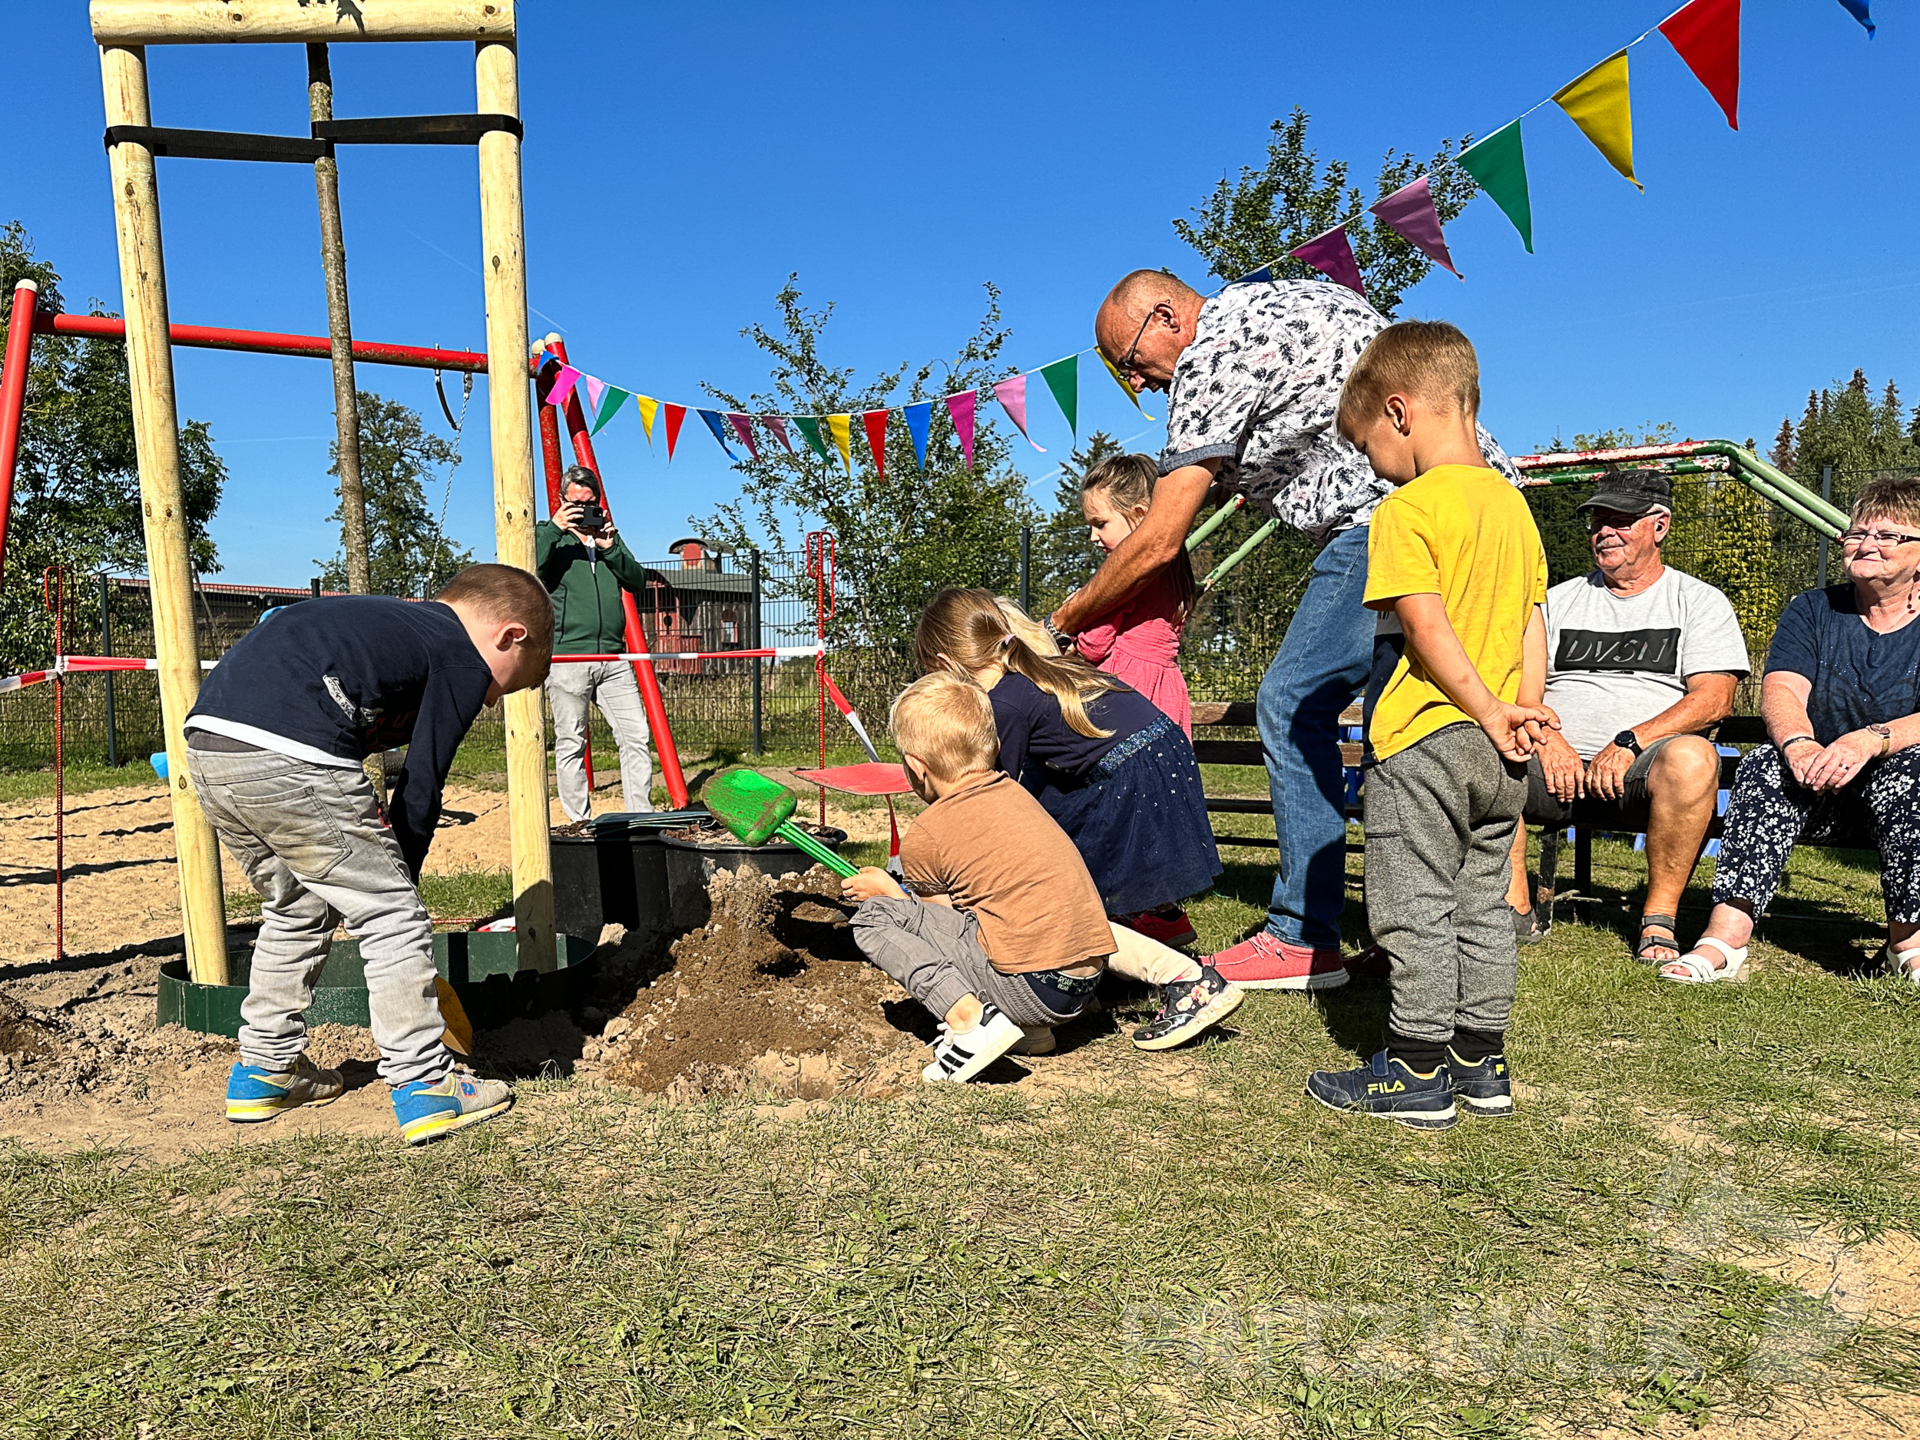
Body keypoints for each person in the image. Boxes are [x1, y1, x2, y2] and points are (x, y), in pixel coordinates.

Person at [1065, 269, 1519, 992]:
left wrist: (1067, 617)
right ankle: (1436, 936)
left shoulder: (1210, 357)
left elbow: (1157, 541)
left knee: (1293, 700)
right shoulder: (1296, 295)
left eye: (1130, 364)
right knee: (1421, 724)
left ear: (1165, 317)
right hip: (1482, 505)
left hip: (1385, 519)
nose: (1142, 386)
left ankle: (1303, 936)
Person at [184, 564, 554, 1144]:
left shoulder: (400, 624)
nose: (491, 701)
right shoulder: (461, 651)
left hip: (210, 749)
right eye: (511, 684)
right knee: (391, 915)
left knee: (297, 908)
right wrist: (398, 884)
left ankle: (265, 1070)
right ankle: (425, 1082)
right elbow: (422, 783)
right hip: (292, 749)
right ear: (511, 636)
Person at [1303, 321, 1552, 1130]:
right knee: (1484, 903)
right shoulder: (1515, 510)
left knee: (1414, 907)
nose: (1373, 463)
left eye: (1368, 443)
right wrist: (1522, 710)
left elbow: (1425, 624)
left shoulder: (1405, 512)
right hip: (1502, 747)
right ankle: (1482, 1062)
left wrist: (1480, 704)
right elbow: (1531, 624)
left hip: (1424, 738)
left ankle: (1414, 1070)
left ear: (1402, 413)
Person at [843, 672, 1244, 1081]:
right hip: (1080, 987)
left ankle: (969, 1024)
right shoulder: (1022, 797)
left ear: (915, 768)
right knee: (1051, 907)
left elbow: (939, 925)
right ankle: (1053, 1024)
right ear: (996, 747)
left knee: (876, 918)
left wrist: (893, 895)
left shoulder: (926, 834)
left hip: (1031, 991)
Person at [1664, 477, 1920, 986]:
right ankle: (1725, 937)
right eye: (1857, 532)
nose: (1866, 544)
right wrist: (1800, 744)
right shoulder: (1813, 609)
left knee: (1916, 773)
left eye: (1888, 536)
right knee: (1763, 764)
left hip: (1898, 789)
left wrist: (1871, 739)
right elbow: (1781, 689)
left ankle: (1908, 943)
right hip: (1816, 783)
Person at [1510, 470, 1749, 961]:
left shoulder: (1699, 602)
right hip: (1552, 763)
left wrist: (1629, 742)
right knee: (1487, 750)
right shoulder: (1557, 600)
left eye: (1620, 520)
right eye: (1598, 521)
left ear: (1659, 526)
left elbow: (1714, 699)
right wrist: (1547, 738)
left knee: (1694, 757)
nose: (1604, 532)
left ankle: (1657, 918)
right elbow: (1519, 683)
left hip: (1643, 770)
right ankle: (1512, 907)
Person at [915, 589, 1222, 949]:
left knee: (1060, 836)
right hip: (1162, 752)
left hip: (1131, 773)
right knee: (1048, 799)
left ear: (946, 664)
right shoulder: (1039, 671)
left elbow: (987, 792)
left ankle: (1101, 930)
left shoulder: (1003, 705)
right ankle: (1158, 916)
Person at [536, 464, 656, 821]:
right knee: (571, 742)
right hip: (567, 659)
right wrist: (556, 528)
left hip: (614, 657)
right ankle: (580, 822)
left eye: (589, 504)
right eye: (574, 503)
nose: (582, 511)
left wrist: (610, 546)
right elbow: (527, 568)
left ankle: (641, 816)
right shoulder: (549, 537)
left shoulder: (608, 539)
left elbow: (637, 581)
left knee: (637, 736)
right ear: (560, 502)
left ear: (599, 504)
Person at [1073, 452, 1198, 736]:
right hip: (1166, 688)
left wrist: (1077, 618)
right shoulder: (1174, 566)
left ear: (1139, 515)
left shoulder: (1129, 575)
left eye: (1100, 523)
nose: (1093, 536)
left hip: (1128, 685)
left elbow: (1094, 645)